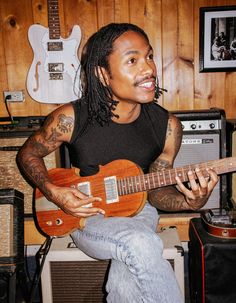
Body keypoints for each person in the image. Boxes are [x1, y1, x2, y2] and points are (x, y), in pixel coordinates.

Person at [17, 23, 219, 303]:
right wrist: (54, 191)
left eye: (149, 56)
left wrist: (191, 202)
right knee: (143, 242)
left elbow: (156, 191)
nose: (149, 69)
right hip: (88, 217)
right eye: (133, 60)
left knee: (126, 281)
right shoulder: (70, 118)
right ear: (103, 73)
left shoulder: (168, 126)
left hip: (140, 213)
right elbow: (27, 154)